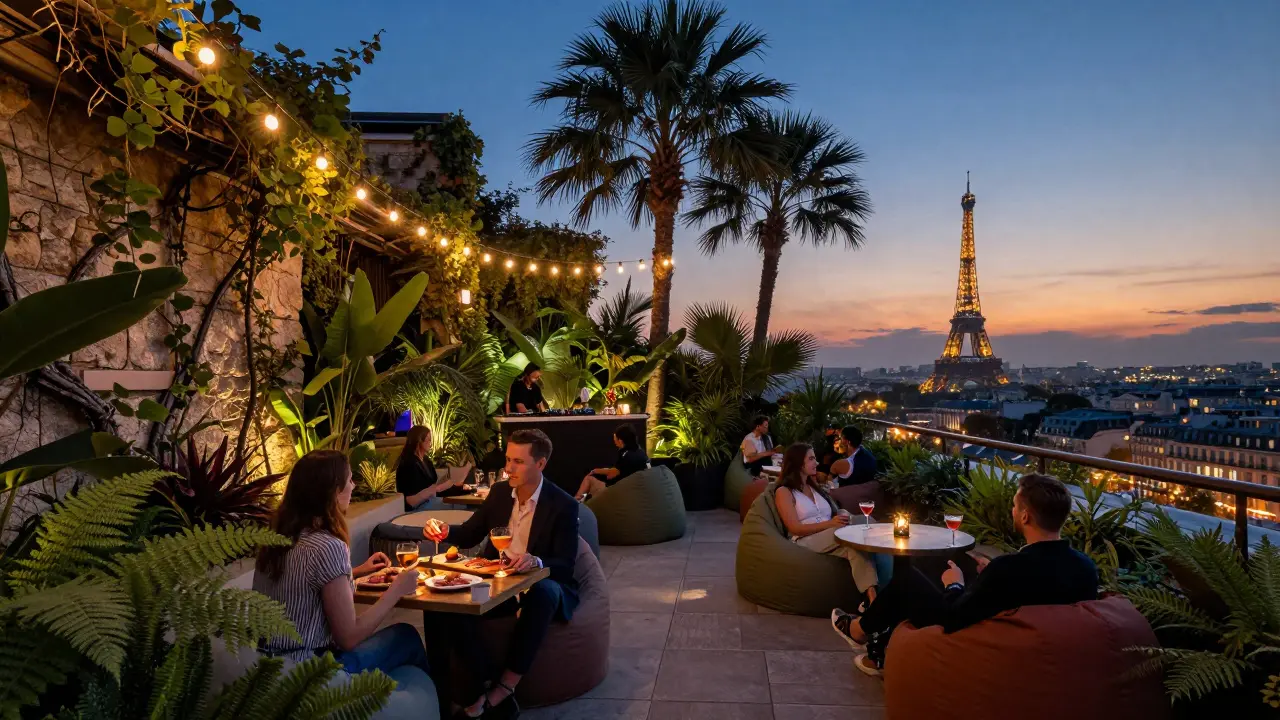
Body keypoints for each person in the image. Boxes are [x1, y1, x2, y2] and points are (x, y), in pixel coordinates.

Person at [830, 473, 1099, 677]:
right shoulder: (1085, 568)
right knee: (950, 565)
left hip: (980, 642)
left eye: (1016, 507)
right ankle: (877, 641)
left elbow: (954, 617)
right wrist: (985, 575)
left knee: (908, 581)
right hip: (1043, 651)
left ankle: (860, 630)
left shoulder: (1008, 569)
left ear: (1026, 517)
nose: (1013, 511)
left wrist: (955, 584)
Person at [422, 429, 579, 718]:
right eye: (508, 459)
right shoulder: (498, 494)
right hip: (498, 582)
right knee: (438, 605)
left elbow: (566, 565)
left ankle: (504, 689)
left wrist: (537, 561)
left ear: (540, 464)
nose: (508, 468)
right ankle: (453, 691)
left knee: (543, 592)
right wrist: (444, 530)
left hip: (541, 583)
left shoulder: (563, 505)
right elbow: (470, 535)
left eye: (518, 462)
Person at [254, 450, 430, 678]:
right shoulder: (328, 546)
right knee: (406, 636)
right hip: (310, 671)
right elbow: (348, 637)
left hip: (267, 667)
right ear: (334, 493)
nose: (354, 486)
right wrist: (397, 590)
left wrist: (355, 572)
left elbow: (301, 585)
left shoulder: (274, 539)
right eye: (349, 480)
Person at [774, 443, 885, 604]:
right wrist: (830, 525)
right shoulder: (784, 492)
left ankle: (872, 601)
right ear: (798, 463)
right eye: (811, 459)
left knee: (861, 539)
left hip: (832, 534)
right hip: (806, 540)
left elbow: (831, 513)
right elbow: (794, 528)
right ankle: (877, 603)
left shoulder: (814, 487)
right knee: (853, 535)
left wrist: (842, 515)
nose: (816, 463)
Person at [396, 425, 467, 511]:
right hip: (418, 507)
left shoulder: (426, 460)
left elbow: (433, 487)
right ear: (419, 440)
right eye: (429, 439)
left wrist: (456, 487)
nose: (431, 443)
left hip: (430, 501)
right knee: (463, 506)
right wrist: (435, 489)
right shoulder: (408, 464)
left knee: (465, 498)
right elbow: (410, 501)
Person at [575, 424, 650, 501]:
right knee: (590, 490)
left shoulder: (627, 455)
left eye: (615, 440)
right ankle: (581, 502)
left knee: (589, 480)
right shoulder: (640, 452)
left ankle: (576, 504)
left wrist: (596, 471)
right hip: (637, 492)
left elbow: (612, 474)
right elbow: (620, 470)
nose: (615, 443)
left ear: (620, 441)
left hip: (622, 495)